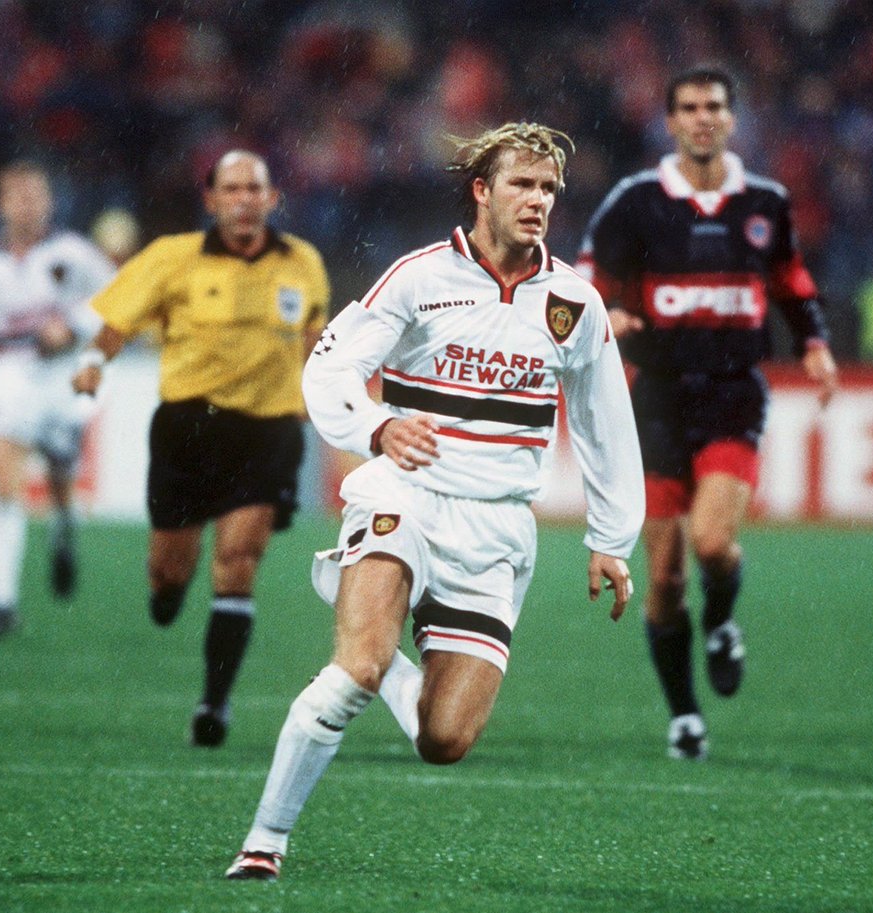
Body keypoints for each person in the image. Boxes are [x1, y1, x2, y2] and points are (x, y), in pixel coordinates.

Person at [224, 122, 644, 882]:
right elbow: (328, 370)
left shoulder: (575, 305)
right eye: (521, 184)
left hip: (497, 527)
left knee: (442, 739)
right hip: (406, 496)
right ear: (482, 190)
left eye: (548, 188)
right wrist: (377, 427)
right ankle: (265, 841)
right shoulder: (418, 278)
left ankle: (373, 638)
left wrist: (611, 539)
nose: (538, 200)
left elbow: (605, 424)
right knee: (354, 671)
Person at [577, 67, 839, 760]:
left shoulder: (765, 201)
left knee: (714, 544)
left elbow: (790, 278)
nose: (702, 117)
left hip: (731, 391)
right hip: (657, 397)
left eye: (714, 106)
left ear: (731, 118)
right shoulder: (636, 202)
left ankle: (721, 622)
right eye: (689, 107)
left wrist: (813, 343)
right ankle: (685, 715)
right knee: (664, 579)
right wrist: (609, 311)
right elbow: (586, 279)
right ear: (670, 121)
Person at [72, 150, 331, 747]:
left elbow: (317, 341)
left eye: (254, 189)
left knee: (238, 561)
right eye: (231, 190)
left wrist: (332, 402)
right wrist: (91, 362)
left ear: (272, 199)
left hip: (268, 432)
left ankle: (214, 704)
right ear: (211, 200)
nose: (243, 200)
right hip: (188, 430)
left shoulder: (304, 263)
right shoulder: (172, 257)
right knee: (170, 574)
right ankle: (167, 593)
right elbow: (118, 322)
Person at [0, 160, 116, 638]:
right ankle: (2, 603)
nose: (27, 205)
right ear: (1, 204)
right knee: (4, 480)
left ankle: (63, 531)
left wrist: (73, 326)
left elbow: (115, 297)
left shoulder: (73, 253)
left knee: (61, 478)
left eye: (35, 196)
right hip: (8, 373)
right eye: (18, 197)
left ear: (49, 202)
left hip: (61, 377)